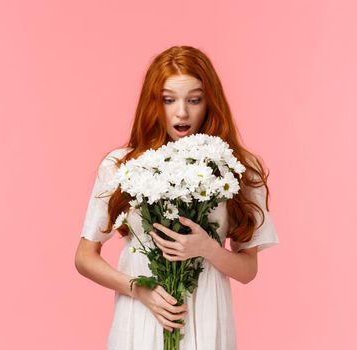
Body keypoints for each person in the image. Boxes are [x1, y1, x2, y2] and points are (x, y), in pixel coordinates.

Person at [75, 45, 279, 350]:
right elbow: (84, 257)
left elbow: (248, 270)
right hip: (143, 312)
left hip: (207, 314)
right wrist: (139, 289)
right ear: (153, 103)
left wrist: (207, 249)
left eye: (194, 100)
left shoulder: (236, 168)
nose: (181, 112)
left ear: (210, 102)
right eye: (169, 100)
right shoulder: (122, 166)